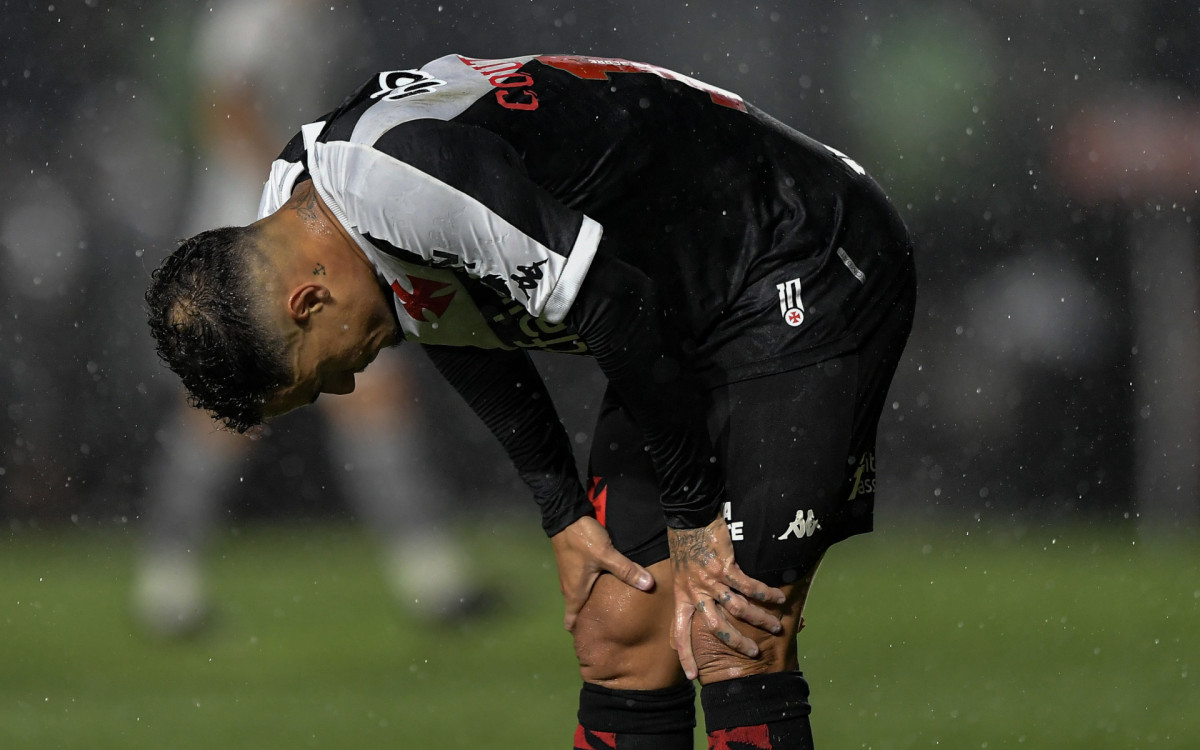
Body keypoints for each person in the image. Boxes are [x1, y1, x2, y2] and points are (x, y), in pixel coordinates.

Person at [145, 53, 916, 748]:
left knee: (731, 634)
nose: (343, 387)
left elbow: (615, 307)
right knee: (616, 635)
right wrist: (563, 511)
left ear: (308, 300)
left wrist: (692, 515)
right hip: (681, 304)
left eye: (319, 377)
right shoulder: (296, 206)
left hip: (799, 253)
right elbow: (449, 316)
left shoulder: (397, 180)